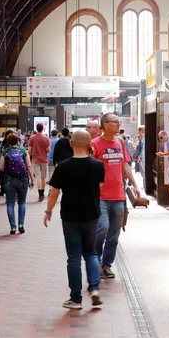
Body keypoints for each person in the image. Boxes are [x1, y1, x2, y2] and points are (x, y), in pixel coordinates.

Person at [45, 130, 105, 310]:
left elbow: (54, 192)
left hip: (70, 215)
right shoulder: (97, 165)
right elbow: (100, 185)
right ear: (89, 145)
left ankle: (76, 299)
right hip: (92, 214)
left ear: (71, 144)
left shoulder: (63, 166)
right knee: (91, 253)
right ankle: (94, 288)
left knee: (73, 256)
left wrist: (48, 211)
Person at [91, 113, 141, 278]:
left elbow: (125, 165)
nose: (118, 124)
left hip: (118, 195)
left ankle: (106, 265)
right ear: (105, 125)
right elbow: (89, 167)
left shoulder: (120, 142)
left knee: (114, 233)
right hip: (100, 196)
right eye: (115, 122)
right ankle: (95, 260)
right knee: (102, 227)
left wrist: (135, 185)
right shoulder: (94, 144)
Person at [0, 132, 35, 234]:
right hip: (23, 179)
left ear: (8, 142)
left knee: (10, 203)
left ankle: (13, 227)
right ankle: (21, 225)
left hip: (9, 180)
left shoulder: (5, 151)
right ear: (18, 141)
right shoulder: (23, 150)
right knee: (22, 202)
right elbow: (28, 166)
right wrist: (32, 179)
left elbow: (1, 168)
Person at [27, 123, 51, 202]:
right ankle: (43, 193)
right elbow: (49, 150)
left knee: (38, 176)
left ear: (36, 129)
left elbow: (29, 150)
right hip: (44, 160)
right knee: (43, 177)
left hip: (35, 159)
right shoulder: (46, 138)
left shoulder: (32, 138)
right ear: (43, 128)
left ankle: (40, 194)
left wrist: (28, 159)